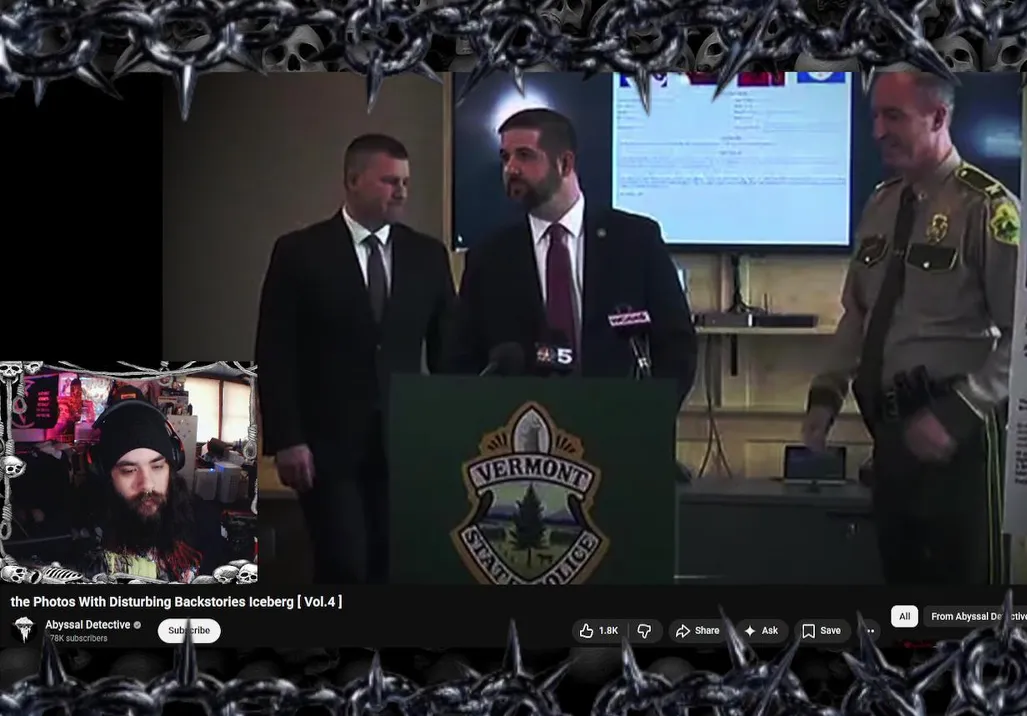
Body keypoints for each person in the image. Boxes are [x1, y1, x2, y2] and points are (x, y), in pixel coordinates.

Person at [801, 71, 1019, 585]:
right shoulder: (880, 205)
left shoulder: (988, 208)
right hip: (893, 436)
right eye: (875, 115)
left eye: (893, 116)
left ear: (938, 117)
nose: (878, 130)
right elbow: (858, 313)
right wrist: (825, 395)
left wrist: (960, 412)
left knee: (968, 603)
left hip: (961, 439)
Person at [255, 133, 456, 583]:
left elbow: (448, 354)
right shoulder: (300, 252)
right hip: (325, 449)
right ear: (353, 180)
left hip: (403, 446)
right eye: (390, 181)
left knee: (391, 567)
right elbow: (275, 351)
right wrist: (287, 439)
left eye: (405, 182)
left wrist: (452, 434)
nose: (401, 192)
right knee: (345, 564)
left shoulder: (427, 256)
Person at [447, 108, 696, 404]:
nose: (510, 168)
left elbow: (676, 344)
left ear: (565, 163)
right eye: (505, 157)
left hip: (617, 420)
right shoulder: (489, 257)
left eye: (524, 155)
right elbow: (461, 359)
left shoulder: (636, 240)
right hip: (522, 426)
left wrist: (652, 414)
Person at [76, 387, 230, 582]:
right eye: (129, 470)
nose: (147, 485)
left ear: (172, 465)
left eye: (157, 467)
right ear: (104, 473)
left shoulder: (204, 522)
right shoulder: (84, 526)